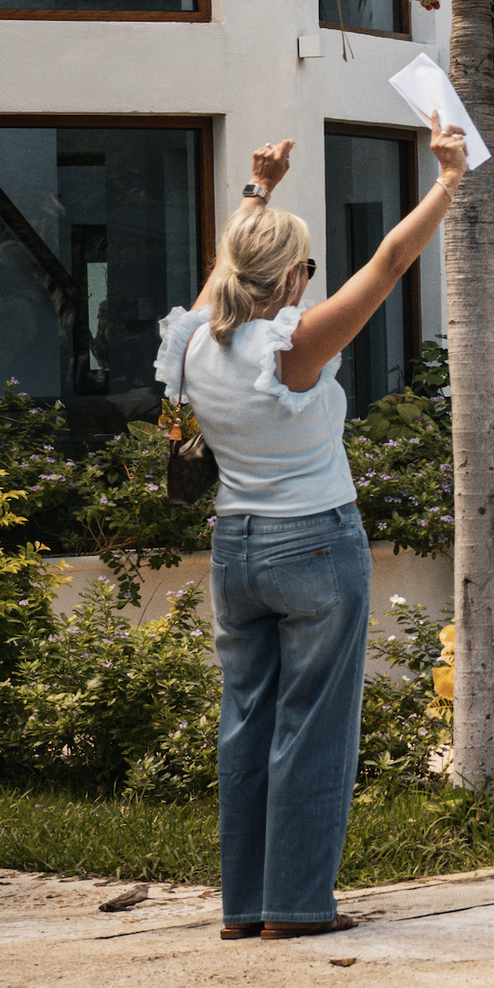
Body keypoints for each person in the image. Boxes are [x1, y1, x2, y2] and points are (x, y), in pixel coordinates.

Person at [158, 117, 469, 939]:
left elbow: (227, 269)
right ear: (291, 278)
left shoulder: (192, 346)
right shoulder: (293, 349)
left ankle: (243, 907)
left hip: (238, 551)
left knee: (246, 723)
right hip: (317, 546)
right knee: (313, 728)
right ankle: (296, 907)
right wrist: (446, 181)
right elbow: (391, 263)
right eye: (305, 266)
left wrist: (258, 192)